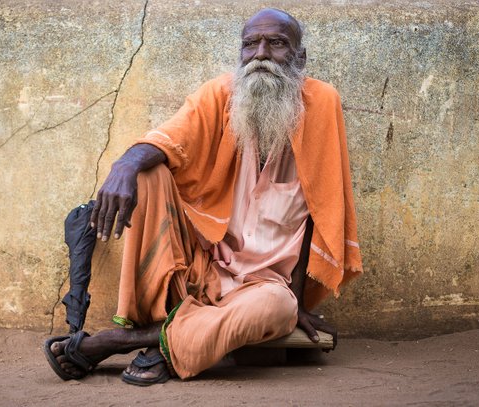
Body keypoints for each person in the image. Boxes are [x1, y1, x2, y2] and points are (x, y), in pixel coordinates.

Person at [43, 7, 363, 386]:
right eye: (250, 44)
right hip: (200, 268)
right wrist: (125, 165)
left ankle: (126, 340)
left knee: (277, 309)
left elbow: (318, 207)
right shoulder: (220, 94)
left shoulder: (322, 103)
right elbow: (167, 139)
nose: (260, 54)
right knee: (148, 174)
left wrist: (298, 301)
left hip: (263, 287)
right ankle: (173, 336)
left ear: (299, 56)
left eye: (276, 43)